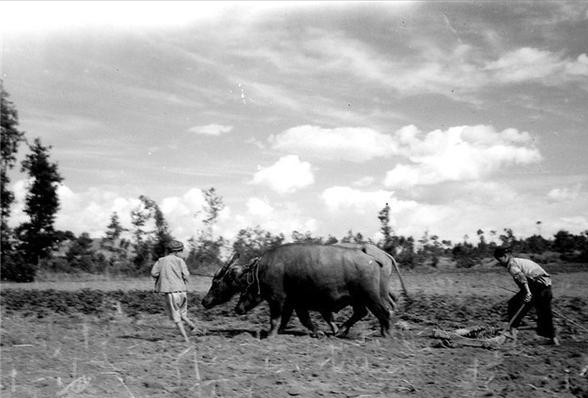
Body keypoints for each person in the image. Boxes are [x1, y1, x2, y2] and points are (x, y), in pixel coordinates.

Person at [494, 247, 560, 346]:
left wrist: (528, 293)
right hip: (546, 286)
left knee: (514, 304)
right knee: (544, 313)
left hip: (537, 285)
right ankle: (554, 340)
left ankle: (513, 335)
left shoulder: (511, 265)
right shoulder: (518, 261)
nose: (500, 262)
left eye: (500, 260)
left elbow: (522, 278)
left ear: (505, 256)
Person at [151, 240, 196, 343]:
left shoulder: (161, 261)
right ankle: (192, 325)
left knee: (176, 317)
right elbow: (186, 275)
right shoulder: (181, 261)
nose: (181, 253)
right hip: (182, 291)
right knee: (183, 314)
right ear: (177, 252)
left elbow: (153, 273)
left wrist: (162, 275)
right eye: (181, 251)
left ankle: (185, 339)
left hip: (171, 292)